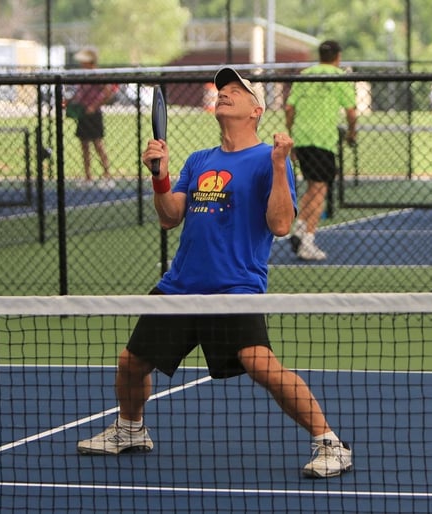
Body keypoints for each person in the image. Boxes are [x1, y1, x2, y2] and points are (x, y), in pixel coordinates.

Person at [77, 67, 354, 479]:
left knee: (260, 364)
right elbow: (170, 217)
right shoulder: (199, 160)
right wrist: (159, 175)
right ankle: (130, 429)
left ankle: (330, 443)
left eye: (235, 91)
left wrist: (279, 167)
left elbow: (280, 225)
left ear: (255, 110)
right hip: (181, 286)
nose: (224, 94)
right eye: (222, 89)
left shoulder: (268, 159)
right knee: (131, 363)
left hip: (235, 288)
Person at [284, 40, 358, 261]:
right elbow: (352, 113)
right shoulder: (339, 76)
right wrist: (351, 132)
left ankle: (299, 229)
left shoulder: (305, 75)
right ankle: (307, 240)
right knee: (319, 190)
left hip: (302, 138)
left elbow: (289, 108)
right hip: (323, 140)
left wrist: (292, 133)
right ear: (338, 56)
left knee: (312, 187)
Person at [62, 47, 118, 185]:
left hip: (93, 114)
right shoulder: (83, 75)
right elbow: (79, 93)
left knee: (98, 144)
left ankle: (107, 175)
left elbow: (108, 92)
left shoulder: (96, 74)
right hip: (83, 113)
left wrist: (94, 106)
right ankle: (88, 177)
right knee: (84, 145)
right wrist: (70, 102)